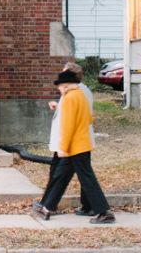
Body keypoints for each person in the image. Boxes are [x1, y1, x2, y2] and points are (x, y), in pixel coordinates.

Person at [32, 70, 115, 224]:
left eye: (60, 86)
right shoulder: (80, 95)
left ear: (65, 85)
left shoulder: (70, 98)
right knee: (61, 176)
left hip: (74, 146)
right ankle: (47, 208)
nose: (58, 89)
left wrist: (63, 147)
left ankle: (104, 212)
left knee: (86, 179)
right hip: (82, 143)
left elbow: (68, 126)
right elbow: (89, 118)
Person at [45, 62, 95, 216]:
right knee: (81, 175)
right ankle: (48, 204)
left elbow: (77, 116)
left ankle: (47, 205)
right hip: (70, 141)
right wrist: (57, 105)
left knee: (67, 175)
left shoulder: (78, 91)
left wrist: (64, 146)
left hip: (72, 142)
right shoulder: (75, 90)